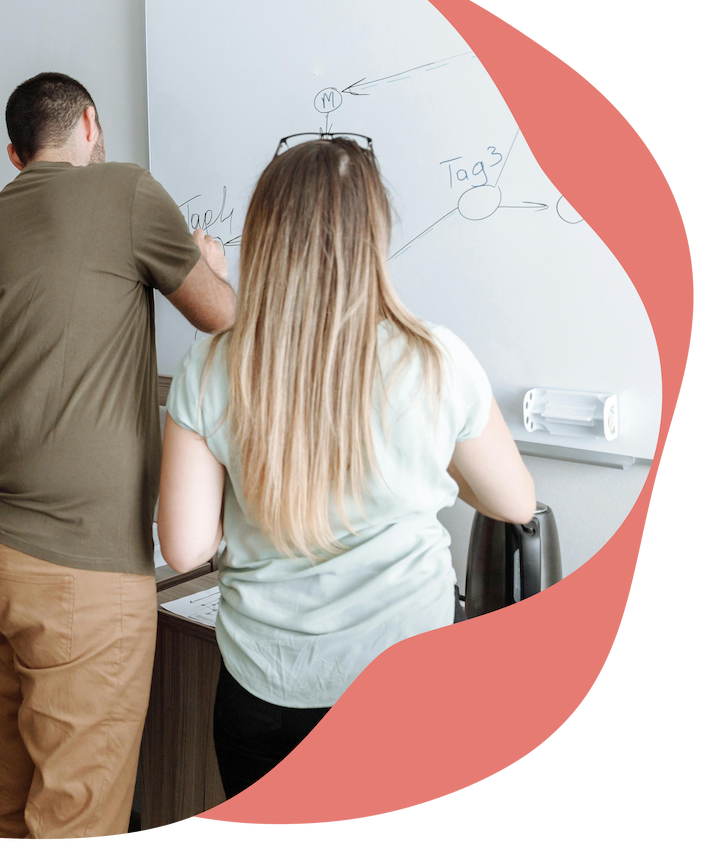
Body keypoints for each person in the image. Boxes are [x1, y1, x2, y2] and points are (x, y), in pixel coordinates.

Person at [156, 135, 536, 799]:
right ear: (372, 236)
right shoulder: (435, 358)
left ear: (263, 237)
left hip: (264, 688)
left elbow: (184, 548)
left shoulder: (211, 366)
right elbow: (515, 503)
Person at [0, 72, 235, 841]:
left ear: (14, 154)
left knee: (17, 788)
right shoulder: (125, 191)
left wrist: (12, 445)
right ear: (89, 123)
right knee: (76, 820)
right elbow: (222, 317)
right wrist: (211, 267)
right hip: (77, 564)